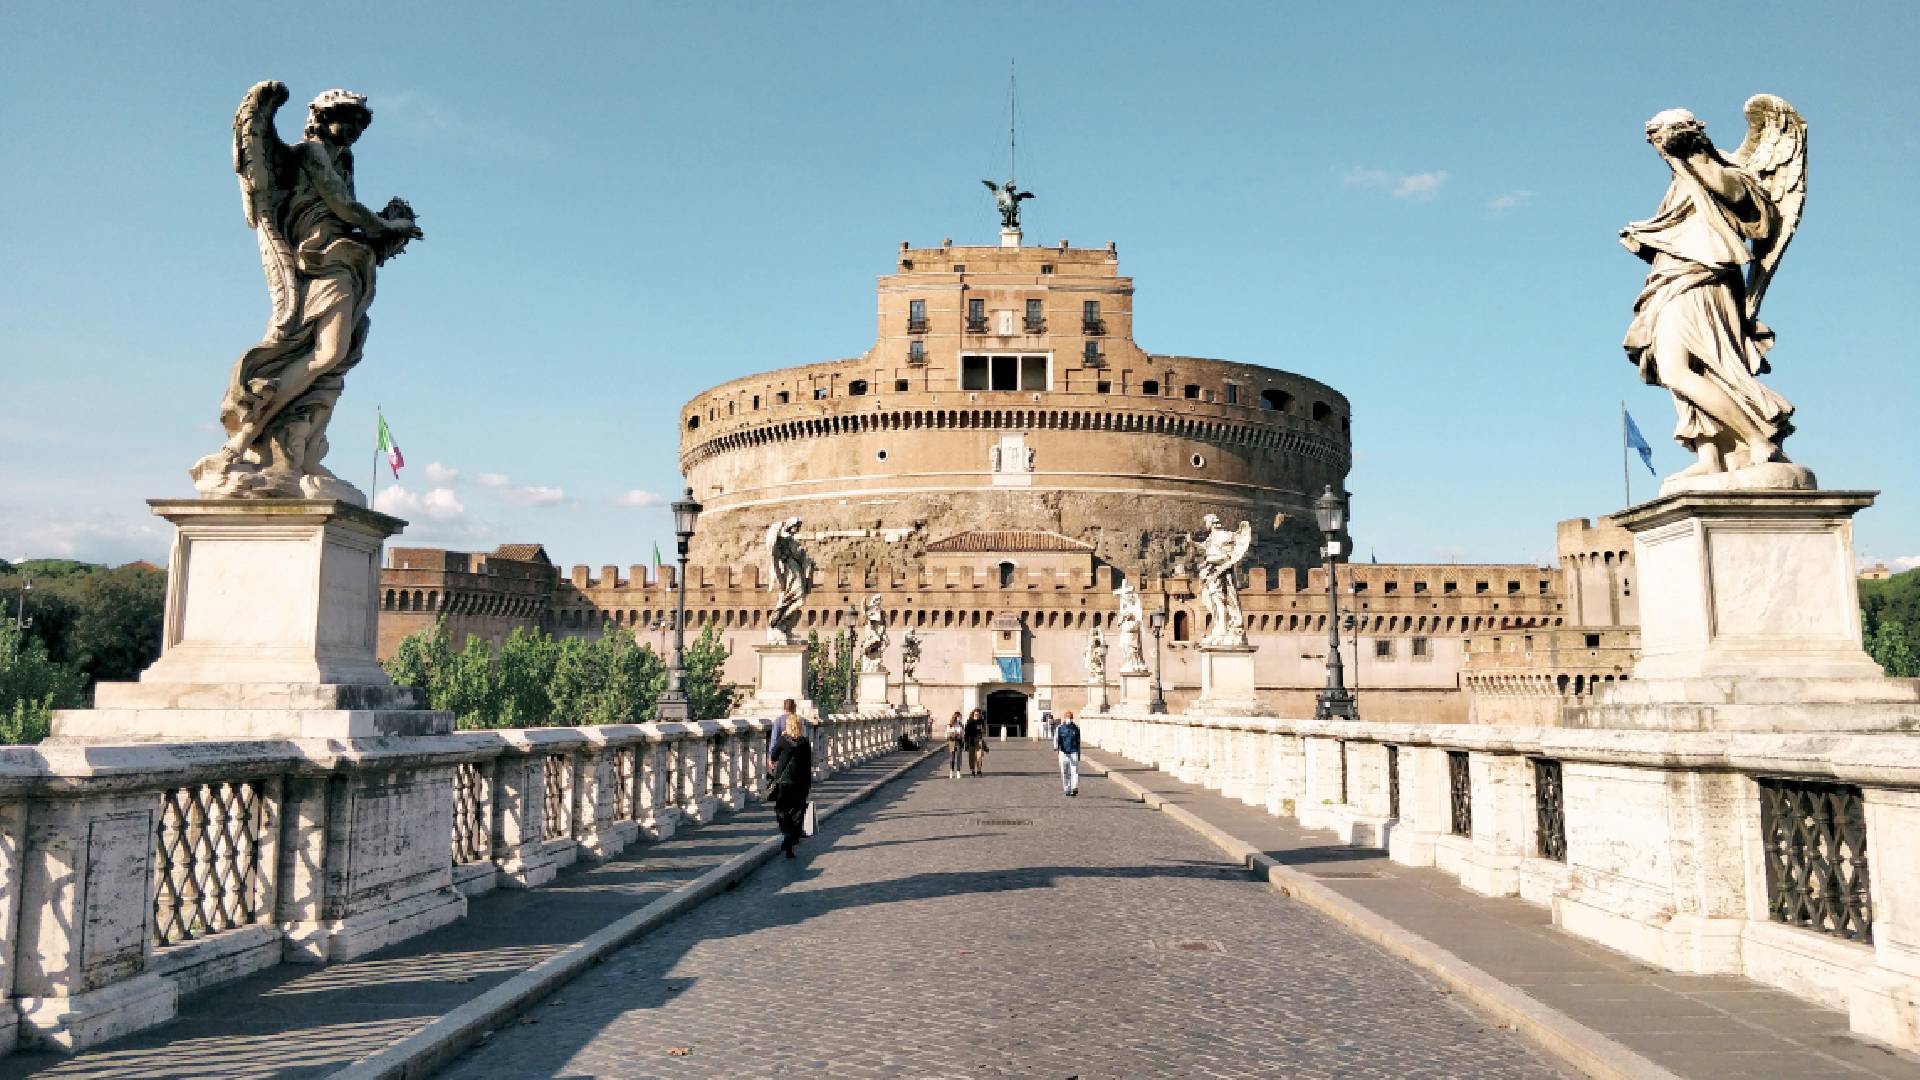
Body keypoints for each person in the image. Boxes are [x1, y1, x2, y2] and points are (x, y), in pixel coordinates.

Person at [767, 701, 814, 858]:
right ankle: (792, 839)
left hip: (784, 780)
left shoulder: (783, 740)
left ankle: (787, 833)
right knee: (798, 811)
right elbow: (808, 763)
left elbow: (773, 755)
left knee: (781, 809)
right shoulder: (805, 743)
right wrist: (809, 782)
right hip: (801, 781)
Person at [1055, 710, 1082, 797]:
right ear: (1064, 717)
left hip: (1073, 751)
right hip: (1063, 752)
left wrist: (1079, 753)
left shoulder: (1076, 728)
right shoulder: (1060, 728)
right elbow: (1056, 739)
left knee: (1074, 771)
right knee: (1064, 772)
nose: (1069, 718)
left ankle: (1074, 788)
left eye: (1070, 717)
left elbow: (1078, 741)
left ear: (1072, 718)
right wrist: (1056, 748)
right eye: (1067, 717)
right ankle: (1067, 788)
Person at [963, 708, 989, 777]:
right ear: (973, 714)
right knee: (971, 756)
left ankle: (979, 770)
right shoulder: (969, 721)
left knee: (979, 755)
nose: (977, 715)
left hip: (979, 740)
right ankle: (972, 770)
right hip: (971, 740)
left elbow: (984, 731)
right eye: (976, 714)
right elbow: (966, 732)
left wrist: (981, 729)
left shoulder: (981, 721)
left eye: (978, 714)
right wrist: (965, 742)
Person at [945, 711, 965, 779]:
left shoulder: (961, 725)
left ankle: (958, 772)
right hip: (952, 742)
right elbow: (947, 735)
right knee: (952, 757)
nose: (960, 718)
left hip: (959, 741)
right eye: (959, 717)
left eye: (960, 717)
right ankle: (951, 771)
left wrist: (962, 737)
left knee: (959, 757)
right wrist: (953, 734)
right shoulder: (950, 725)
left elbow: (963, 734)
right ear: (956, 717)